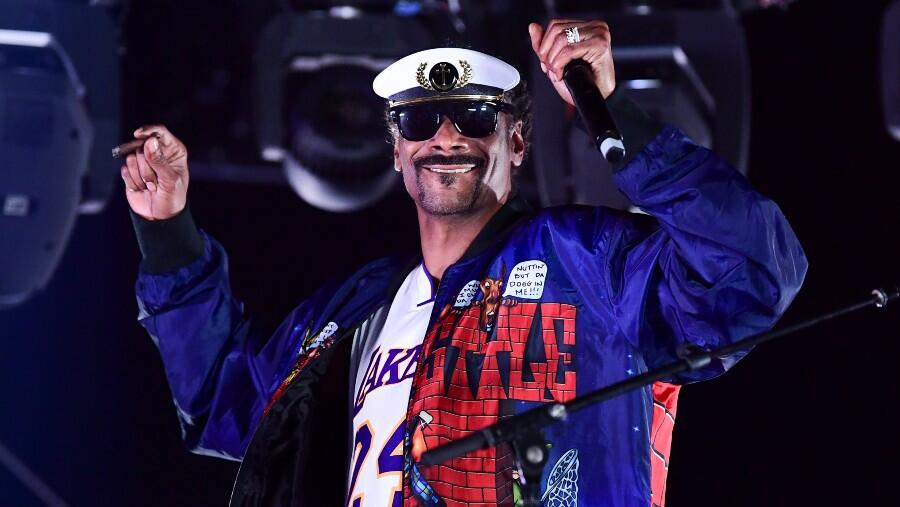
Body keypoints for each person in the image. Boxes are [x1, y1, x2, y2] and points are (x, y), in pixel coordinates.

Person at [121, 19, 807, 507]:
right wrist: (167, 231)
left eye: (474, 116)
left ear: (518, 139)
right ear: (397, 149)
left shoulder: (588, 262)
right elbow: (222, 401)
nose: (445, 135)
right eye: (420, 121)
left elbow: (750, 271)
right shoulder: (357, 309)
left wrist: (614, 113)